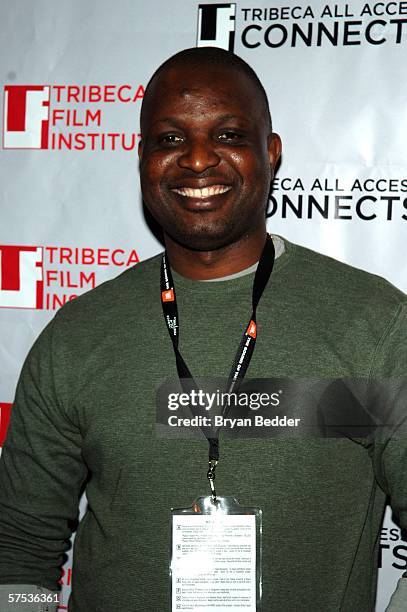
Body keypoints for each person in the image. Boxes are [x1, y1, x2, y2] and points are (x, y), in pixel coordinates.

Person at [0, 46, 406, 612]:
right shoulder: (77, 337)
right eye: (169, 139)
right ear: (142, 158)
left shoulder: (373, 325)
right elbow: (20, 548)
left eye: (229, 135)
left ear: (271, 153)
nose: (196, 160)